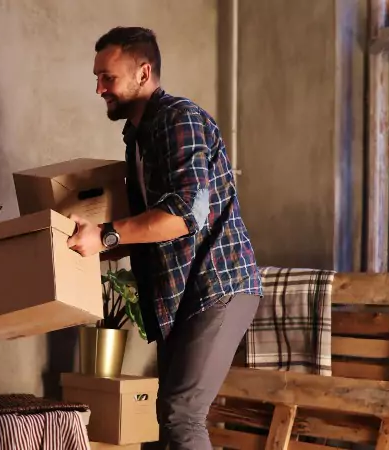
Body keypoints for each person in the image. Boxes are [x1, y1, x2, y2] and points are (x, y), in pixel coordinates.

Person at [67, 27, 263, 450]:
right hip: (186, 291)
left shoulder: (179, 118)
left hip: (219, 283)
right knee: (170, 413)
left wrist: (105, 235)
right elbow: (146, 226)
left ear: (144, 72)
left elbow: (183, 214)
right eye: (97, 77)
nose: (99, 88)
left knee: (181, 413)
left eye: (108, 77)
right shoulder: (137, 136)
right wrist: (78, 247)